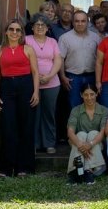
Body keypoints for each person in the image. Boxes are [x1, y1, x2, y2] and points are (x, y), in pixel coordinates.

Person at [0, 19, 40, 177]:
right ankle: (6, 167)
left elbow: (35, 72)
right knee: (8, 127)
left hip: (26, 87)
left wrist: (36, 92)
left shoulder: (28, 49)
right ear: (6, 32)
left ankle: (24, 167)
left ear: (21, 33)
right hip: (6, 88)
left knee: (26, 127)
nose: (14, 32)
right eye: (11, 29)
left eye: (18, 30)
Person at [25, 13, 62, 154]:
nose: (40, 27)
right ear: (32, 27)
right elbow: (23, 59)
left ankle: (49, 143)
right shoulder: (27, 40)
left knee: (49, 114)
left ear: (47, 28)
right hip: (31, 82)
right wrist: (35, 76)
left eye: (43, 25)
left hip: (52, 83)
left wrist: (49, 76)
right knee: (33, 114)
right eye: (37, 25)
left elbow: (58, 60)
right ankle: (33, 144)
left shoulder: (53, 42)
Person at [66, 83, 108, 185]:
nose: (89, 98)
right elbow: (70, 132)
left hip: (96, 143)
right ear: (81, 95)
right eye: (86, 95)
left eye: (92, 94)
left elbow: (103, 132)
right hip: (79, 143)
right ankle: (80, 171)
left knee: (94, 133)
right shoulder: (76, 110)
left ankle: (84, 171)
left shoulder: (104, 110)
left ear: (96, 94)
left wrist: (89, 144)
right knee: (80, 134)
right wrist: (81, 145)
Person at [59, 11, 102, 108]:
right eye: (77, 21)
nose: (80, 24)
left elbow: (100, 58)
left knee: (93, 105)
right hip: (72, 78)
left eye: (83, 21)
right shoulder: (65, 38)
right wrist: (62, 77)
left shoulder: (95, 37)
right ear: (72, 22)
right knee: (74, 105)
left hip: (92, 76)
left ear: (88, 22)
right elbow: (60, 59)